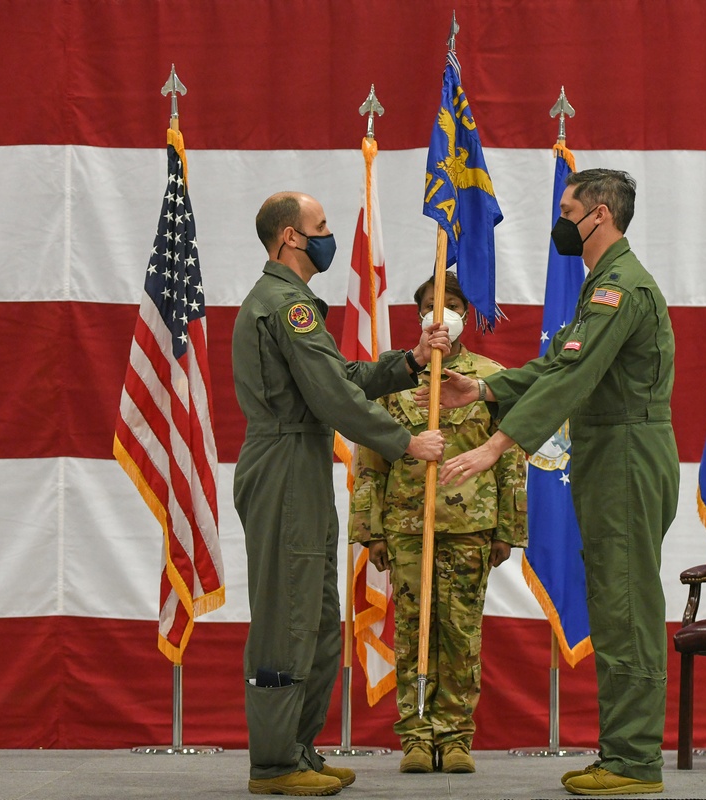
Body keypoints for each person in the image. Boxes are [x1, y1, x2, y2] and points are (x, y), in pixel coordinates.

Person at [428, 169, 679, 796]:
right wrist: (482, 389)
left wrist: (494, 446)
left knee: (625, 605)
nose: (560, 221)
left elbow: (573, 381)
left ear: (599, 215)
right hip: (609, 451)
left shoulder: (620, 289)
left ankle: (634, 760)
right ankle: (623, 751)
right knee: (612, 597)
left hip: (627, 452)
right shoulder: (600, 285)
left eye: (567, 210)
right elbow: (555, 362)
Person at [232, 191, 448, 797]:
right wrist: (407, 443)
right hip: (283, 463)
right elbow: (332, 398)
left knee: (320, 619)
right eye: (319, 226)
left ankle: (298, 748)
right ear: (289, 238)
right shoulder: (283, 305)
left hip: (301, 462)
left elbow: (342, 377)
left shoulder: (296, 304)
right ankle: (274, 764)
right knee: (288, 617)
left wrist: (407, 362)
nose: (327, 235)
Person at [349, 272, 527, 775]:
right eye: (430, 304)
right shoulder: (395, 378)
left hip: (471, 527)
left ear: (465, 317)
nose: (440, 313)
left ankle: (454, 737)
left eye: (450, 305)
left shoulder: (490, 378)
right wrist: (372, 531)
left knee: (460, 634)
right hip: (407, 525)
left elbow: (512, 457)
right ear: (419, 315)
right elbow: (371, 458)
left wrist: (508, 530)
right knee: (412, 631)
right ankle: (416, 735)